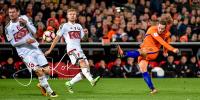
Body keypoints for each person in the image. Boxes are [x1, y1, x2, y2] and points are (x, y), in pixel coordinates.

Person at [5, 5, 57, 97]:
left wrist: (26, 23)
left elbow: (34, 31)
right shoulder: (8, 27)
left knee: (48, 71)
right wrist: (25, 41)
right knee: (38, 71)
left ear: (18, 12)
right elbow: (13, 43)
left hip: (34, 48)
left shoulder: (24, 18)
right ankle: (50, 92)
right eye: (10, 12)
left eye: (13, 12)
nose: (11, 14)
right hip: (24, 53)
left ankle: (41, 84)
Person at [117, 17, 179, 94]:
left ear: (165, 28)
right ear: (157, 25)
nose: (160, 29)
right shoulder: (152, 29)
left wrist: (166, 51)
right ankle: (153, 89)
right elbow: (162, 41)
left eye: (162, 28)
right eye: (159, 27)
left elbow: (165, 42)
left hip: (153, 51)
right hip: (144, 51)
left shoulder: (167, 33)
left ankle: (124, 54)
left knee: (141, 51)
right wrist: (171, 50)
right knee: (143, 70)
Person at [45, 8, 100, 93]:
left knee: (86, 71)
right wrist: (50, 50)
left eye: (74, 14)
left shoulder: (79, 26)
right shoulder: (64, 26)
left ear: (76, 16)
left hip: (79, 50)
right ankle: (92, 81)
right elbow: (56, 38)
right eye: (70, 14)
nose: (72, 15)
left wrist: (86, 33)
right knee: (82, 62)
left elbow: (84, 39)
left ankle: (69, 83)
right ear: (67, 16)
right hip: (71, 49)